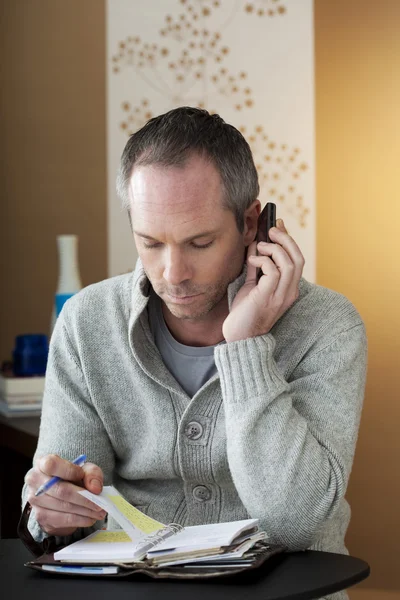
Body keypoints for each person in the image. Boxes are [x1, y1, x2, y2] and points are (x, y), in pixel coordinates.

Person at [21, 107, 367, 593]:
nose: (173, 273)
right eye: (150, 243)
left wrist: (246, 344)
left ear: (252, 224)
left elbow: (298, 523)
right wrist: (55, 511)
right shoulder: (85, 322)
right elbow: (66, 503)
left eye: (199, 242)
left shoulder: (327, 325)